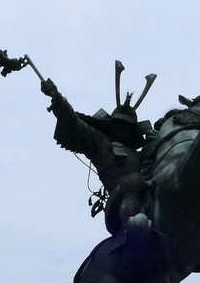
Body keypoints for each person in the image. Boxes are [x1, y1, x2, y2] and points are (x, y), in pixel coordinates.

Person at [41, 77, 155, 235]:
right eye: (119, 125)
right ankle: (132, 226)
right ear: (111, 126)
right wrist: (57, 96)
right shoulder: (99, 141)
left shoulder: (138, 154)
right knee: (133, 181)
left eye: (127, 128)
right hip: (120, 194)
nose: (122, 130)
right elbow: (74, 122)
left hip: (145, 190)